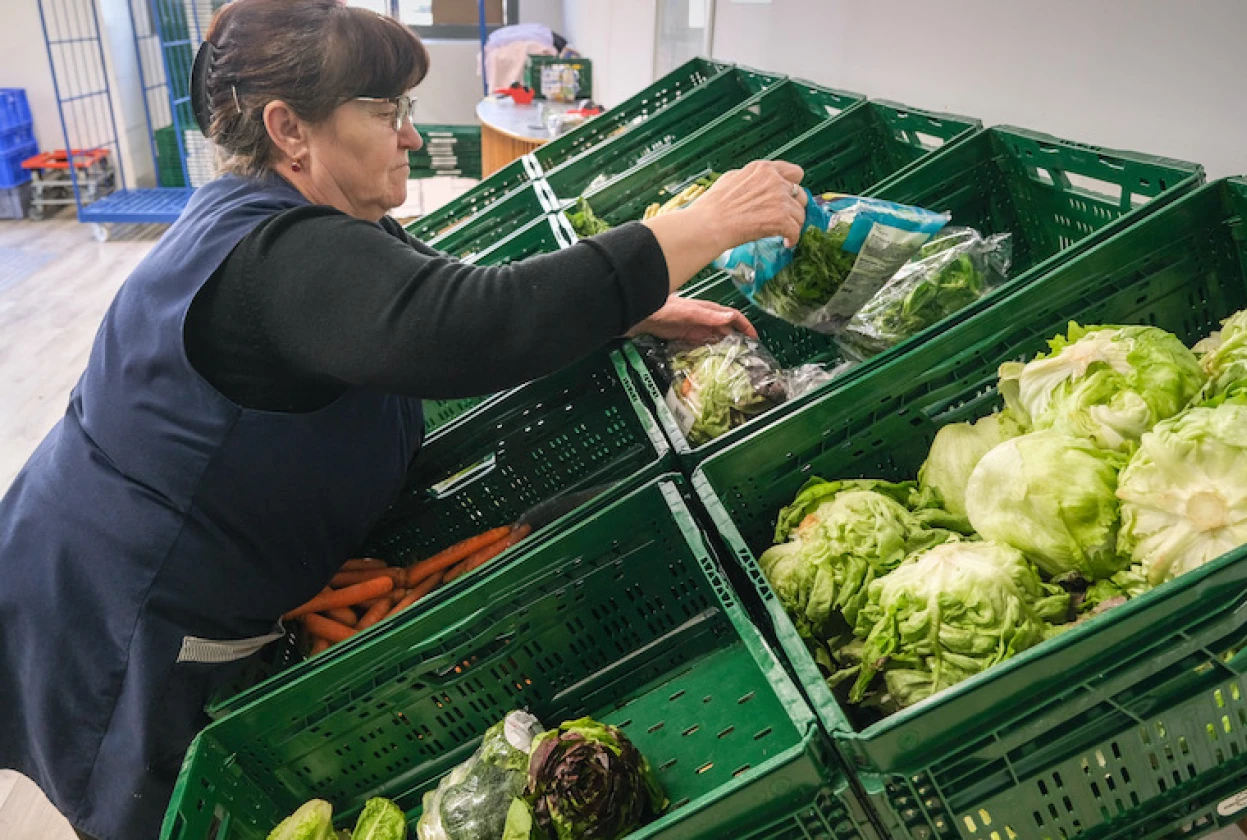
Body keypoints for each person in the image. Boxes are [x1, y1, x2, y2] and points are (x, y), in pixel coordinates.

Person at [0, 2, 807, 838]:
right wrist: (706, 223)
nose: (412, 138)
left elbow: (441, 291)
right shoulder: (286, 258)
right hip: (120, 608)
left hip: (132, 564)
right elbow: (472, 326)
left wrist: (626, 313)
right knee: (161, 816)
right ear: (290, 129)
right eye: (385, 113)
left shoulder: (290, 216)